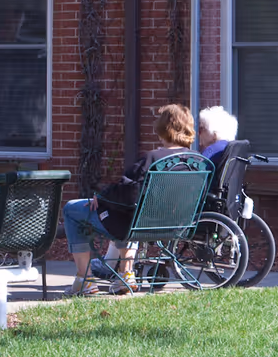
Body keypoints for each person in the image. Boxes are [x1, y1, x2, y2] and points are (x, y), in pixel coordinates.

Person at [64, 104, 197, 296]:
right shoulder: (197, 160)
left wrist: (101, 197)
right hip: (176, 225)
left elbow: (127, 194)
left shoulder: (154, 158)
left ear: (164, 128)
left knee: (71, 209)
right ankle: (125, 276)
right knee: (132, 214)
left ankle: (85, 279)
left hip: (137, 225)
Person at [196, 106, 238, 176]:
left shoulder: (212, 151)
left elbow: (195, 174)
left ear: (214, 134)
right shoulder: (231, 147)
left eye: (201, 129)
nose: (198, 133)